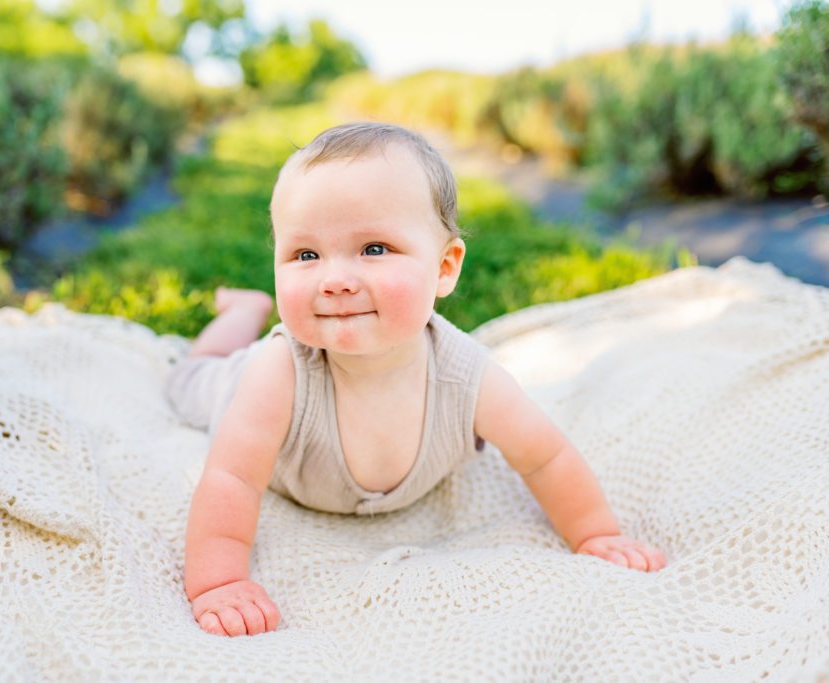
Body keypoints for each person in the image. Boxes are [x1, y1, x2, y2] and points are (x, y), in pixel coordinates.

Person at [165, 122, 667, 638]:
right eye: (306, 255)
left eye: (374, 249)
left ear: (445, 267)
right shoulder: (279, 372)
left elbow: (546, 456)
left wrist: (596, 533)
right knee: (189, 378)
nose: (335, 280)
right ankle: (241, 316)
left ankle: (246, 309)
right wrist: (219, 582)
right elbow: (233, 477)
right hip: (231, 382)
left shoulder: (468, 376)